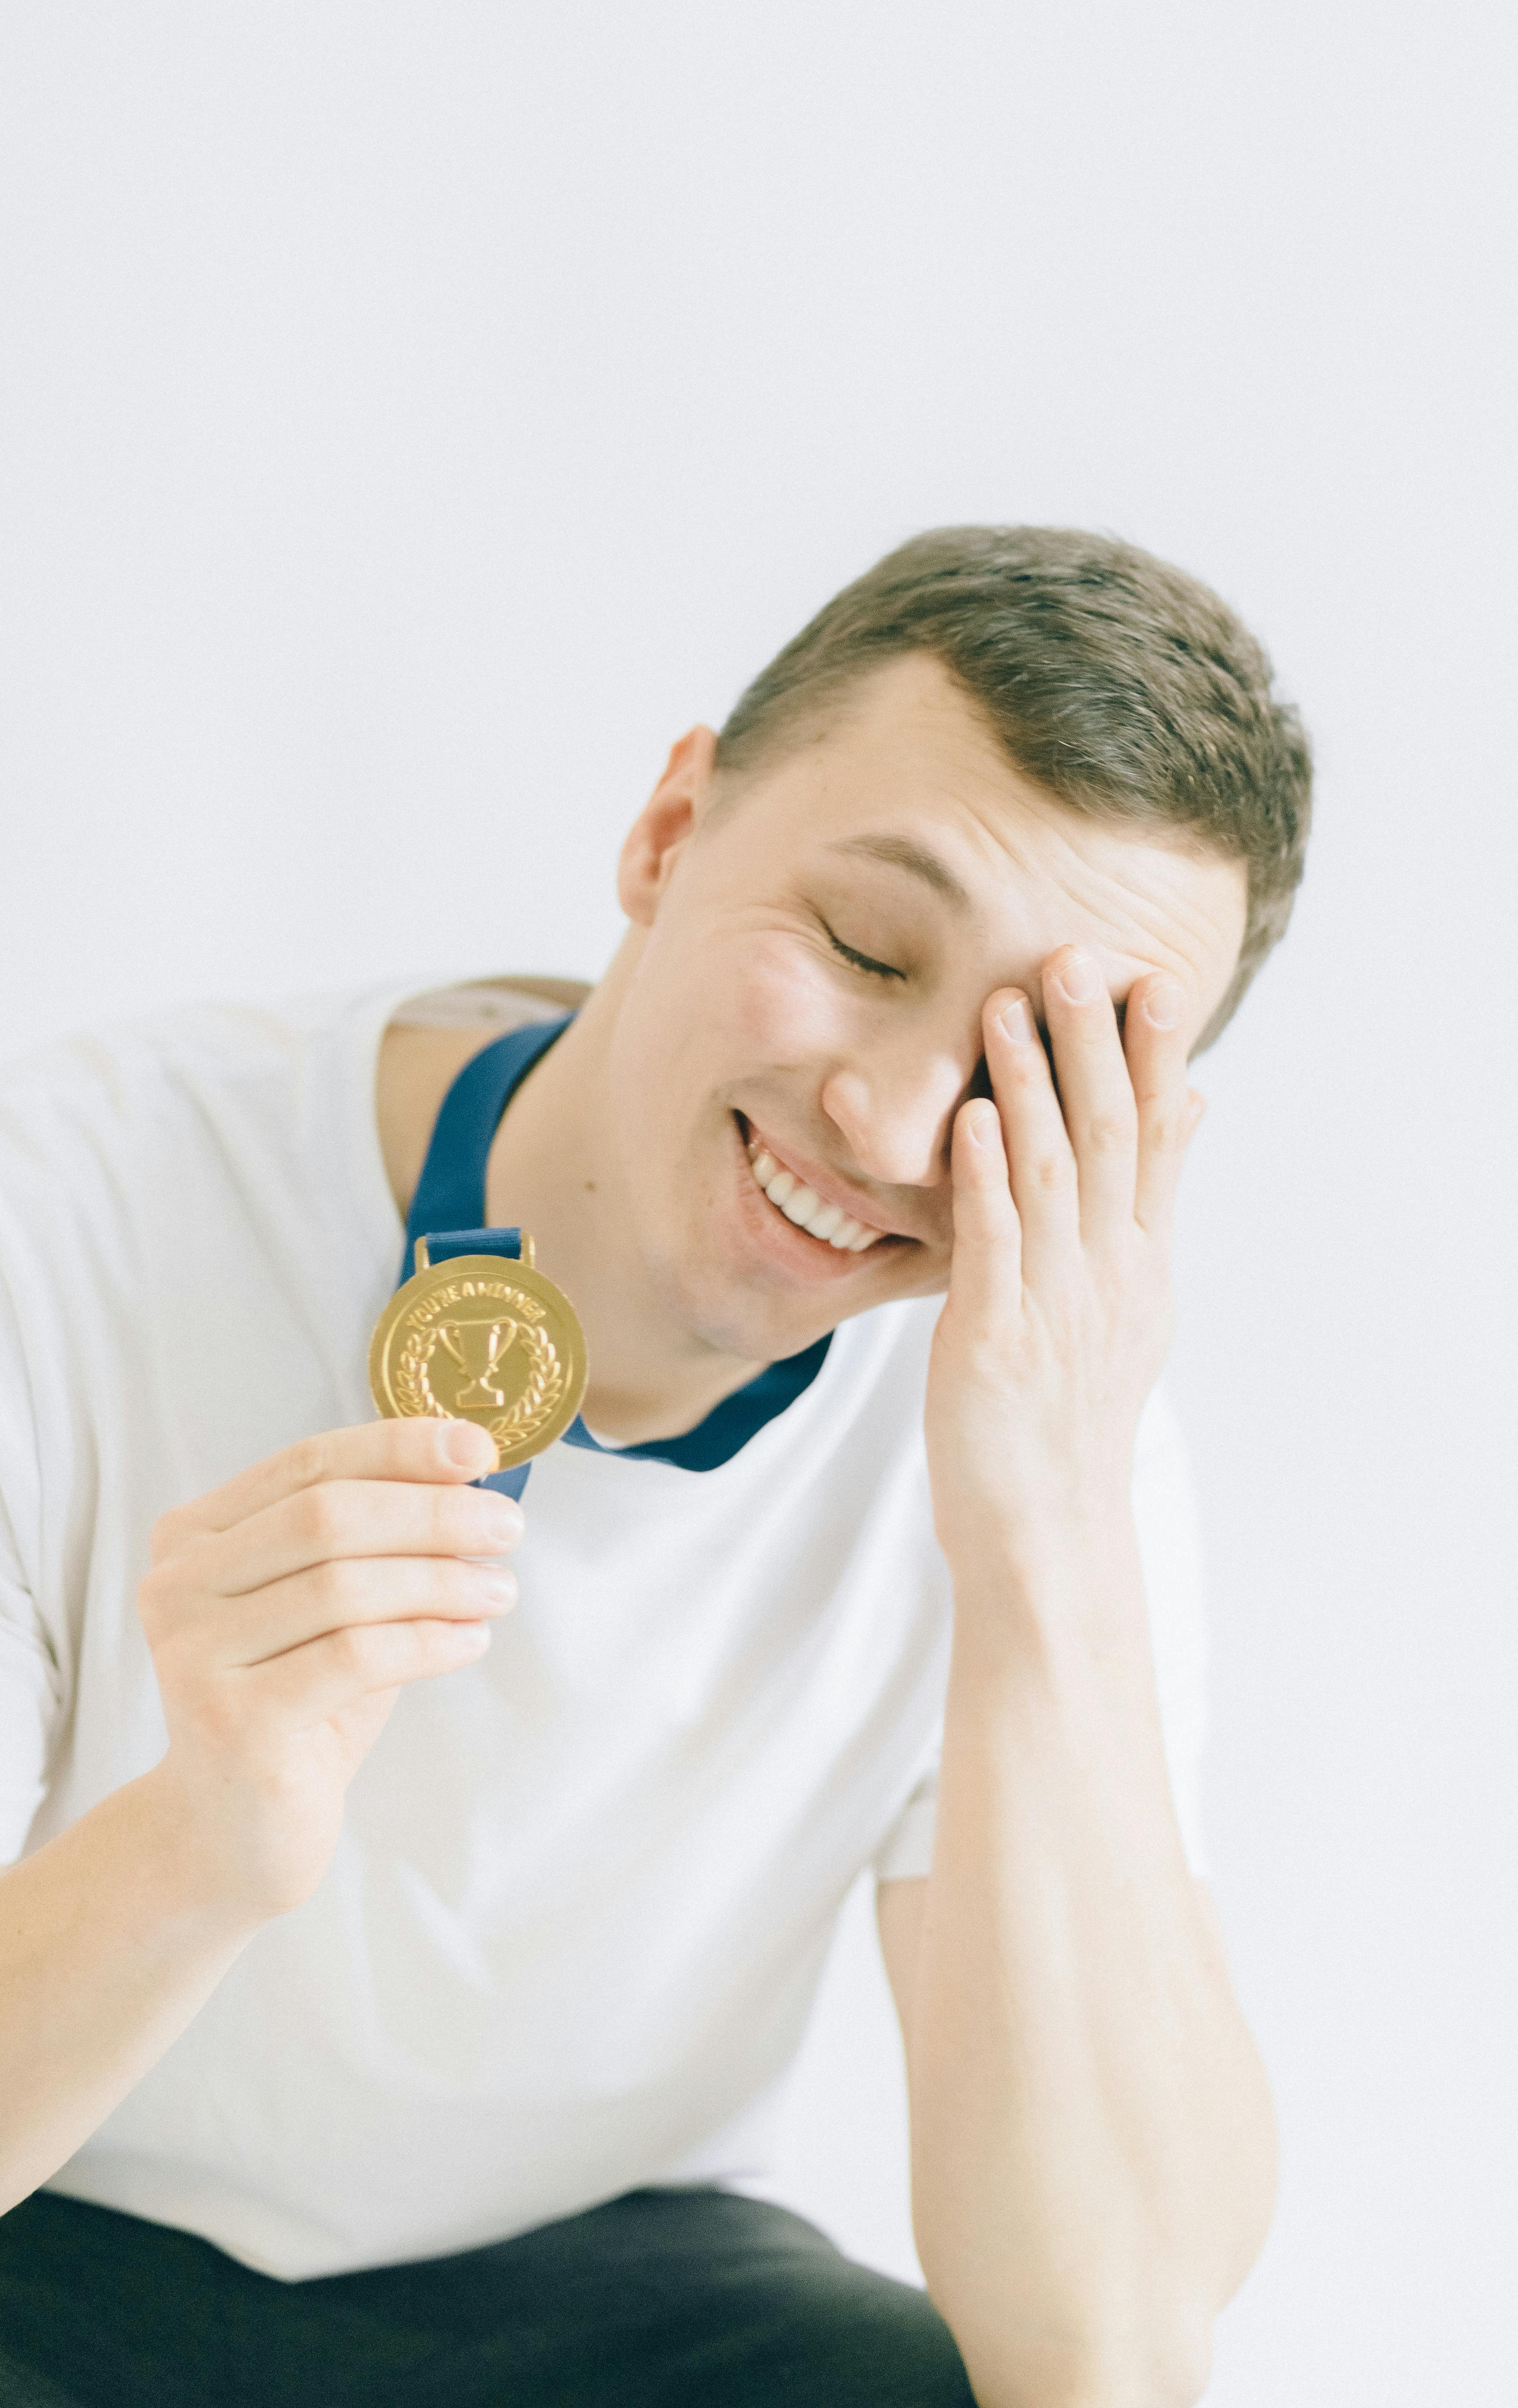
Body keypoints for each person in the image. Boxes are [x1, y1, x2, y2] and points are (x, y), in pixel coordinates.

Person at [0, 526, 1311, 2408]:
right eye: (864, 949)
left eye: (1023, 1082)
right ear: (669, 831)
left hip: (600, 2305)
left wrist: (1042, 1548)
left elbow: (1100, 2352)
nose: (880, 1123)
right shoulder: (65, 1218)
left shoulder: (1049, 1438)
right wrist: (201, 1841)